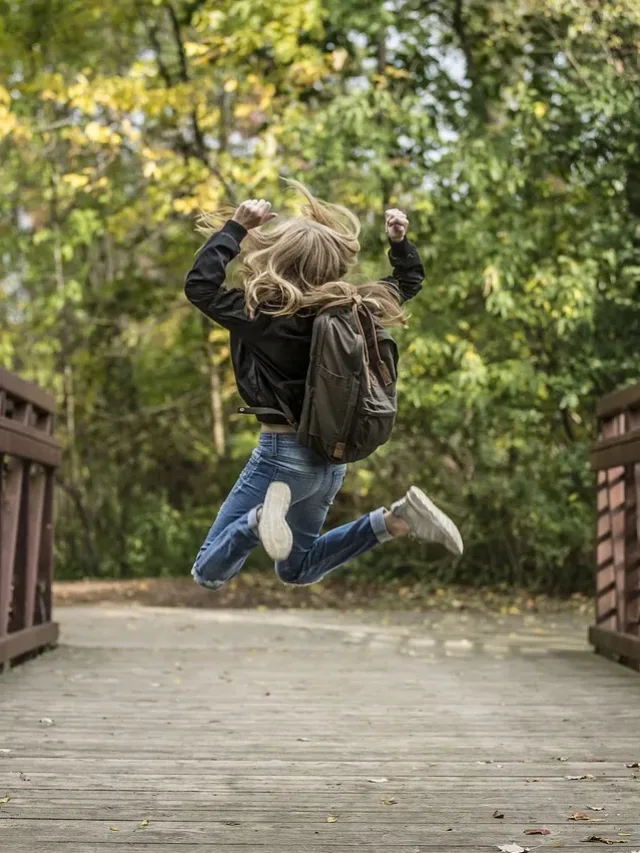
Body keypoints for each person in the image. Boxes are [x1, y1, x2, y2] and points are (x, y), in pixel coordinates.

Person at [184, 182, 463, 591]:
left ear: (280, 257)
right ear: (332, 263)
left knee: (207, 572)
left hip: (281, 459)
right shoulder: (357, 307)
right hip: (330, 463)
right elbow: (408, 282)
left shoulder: (263, 313)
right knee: (297, 569)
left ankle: (260, 519)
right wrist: (399, 244)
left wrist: (236, 227)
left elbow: (200, 286)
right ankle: (396, 520)